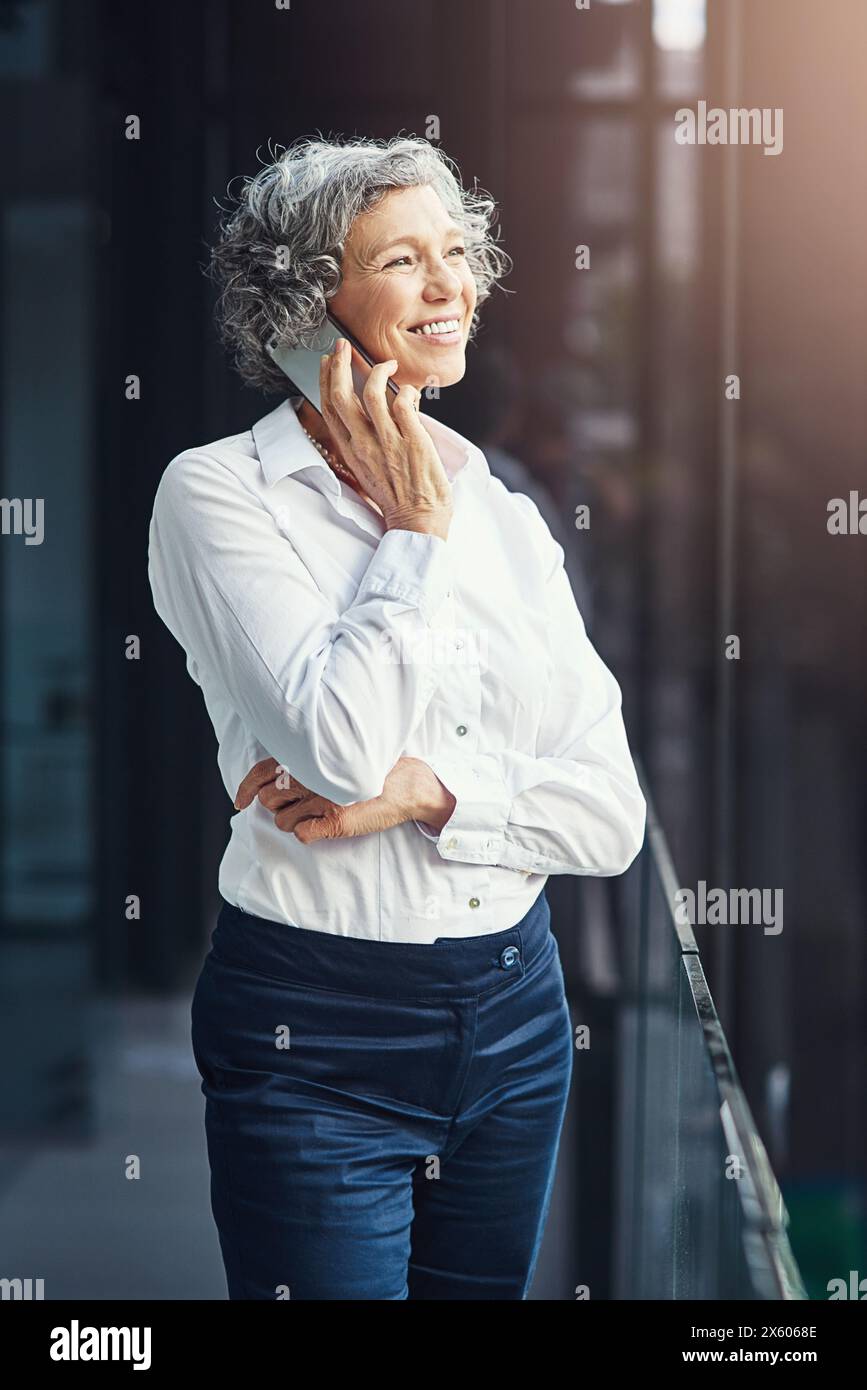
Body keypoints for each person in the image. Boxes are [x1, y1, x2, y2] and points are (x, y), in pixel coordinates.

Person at [147, 134, 646, 1301]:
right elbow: (342, 745)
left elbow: (611, 817)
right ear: (309, 296)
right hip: (311, 1029)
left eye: (459, 255)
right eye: (406, 260)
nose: (450, 287)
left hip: (520, 1021)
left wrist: (429, 796)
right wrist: (413, 536)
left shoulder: (505, 513)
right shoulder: (216, 492)